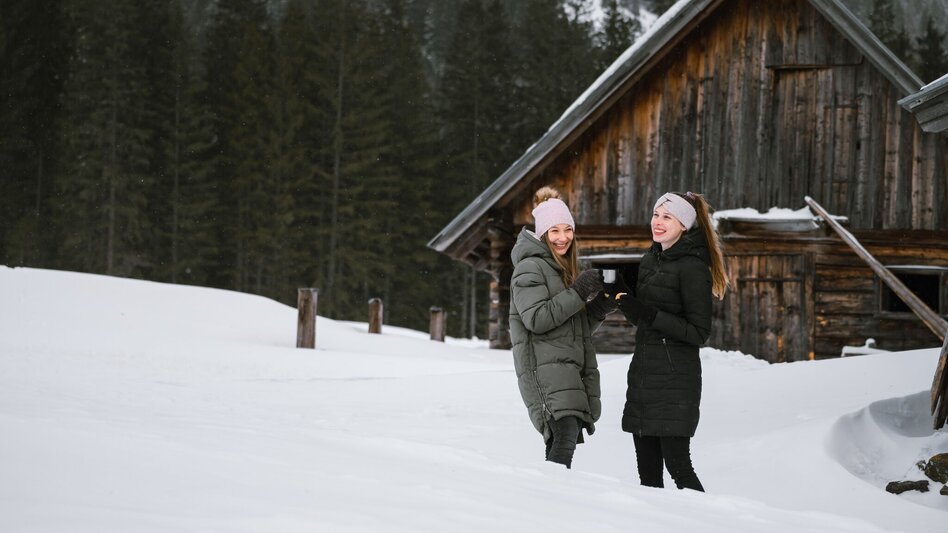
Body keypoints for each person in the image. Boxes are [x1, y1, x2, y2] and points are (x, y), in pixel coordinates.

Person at [615, 191, 729, 491]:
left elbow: (698, 332)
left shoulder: (692, 267)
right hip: (644, 376)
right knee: (648, 477)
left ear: (684, 225)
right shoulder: (651, 258)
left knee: (679, 468)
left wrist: (649, 314)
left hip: (676, 380)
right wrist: (626, 300)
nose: (658, 222)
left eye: (667, 217)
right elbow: (645, 318)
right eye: (656, 214)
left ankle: (706, 522)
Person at [509, 186, 616, 469]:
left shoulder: (560, 270)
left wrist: (601, 307)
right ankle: (551, 501)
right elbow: (538, 319)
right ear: (543, 233)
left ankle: (551, 503)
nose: (563, 237)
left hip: (564, 370)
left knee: (563, 438)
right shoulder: (529, 268)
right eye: (554, 231)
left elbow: (569, 329)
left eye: (567, 230)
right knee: (565, 435)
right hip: (544, 373)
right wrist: (580, 292)